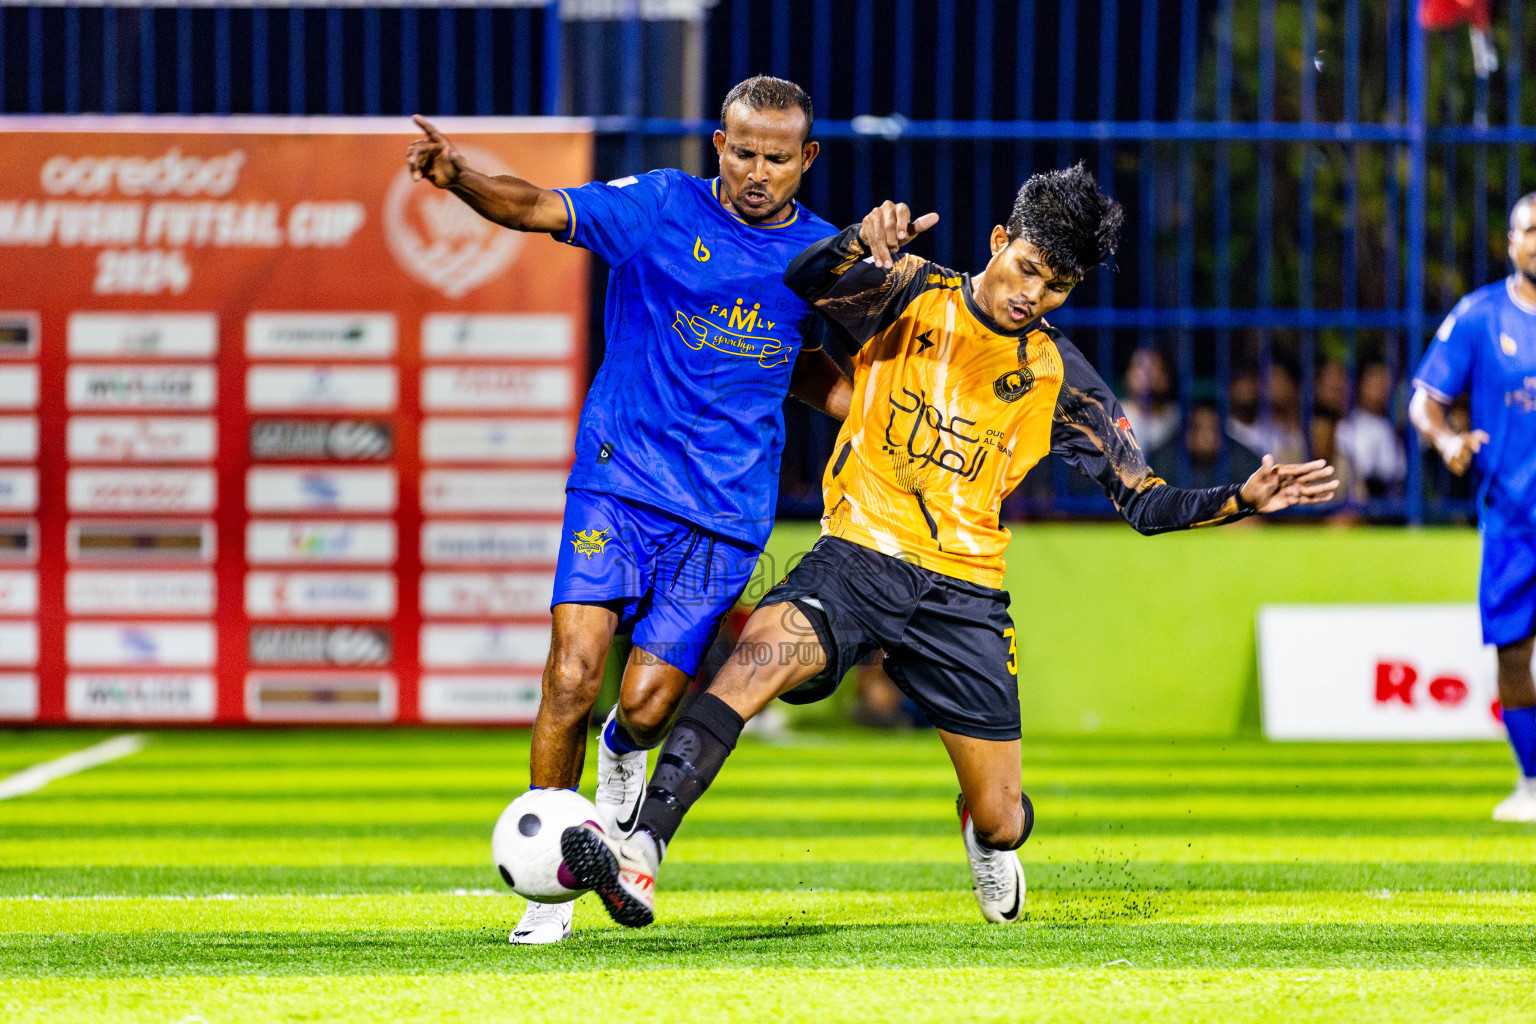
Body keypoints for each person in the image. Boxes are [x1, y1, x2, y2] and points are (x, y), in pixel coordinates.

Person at [561, 165, 1338, 928]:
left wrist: (1240, 498)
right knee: (747, 668)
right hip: (855, 560)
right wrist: (862, 240)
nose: (1034, 293)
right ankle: (641, 853)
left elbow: (1143, 501)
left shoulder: (1063, 378)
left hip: (962, 596)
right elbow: (805, 279)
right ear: (1000, 241)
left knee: (1005, 817)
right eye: (1028, 267)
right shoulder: (909, 291)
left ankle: (984, 831)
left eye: (1057, 285)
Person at [406, 76, 851, 943]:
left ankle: (620, 757)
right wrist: (460, 176)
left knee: (645, 708)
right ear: (718, 146)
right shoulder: (656, 207)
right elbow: (536, 205)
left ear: (808, 160)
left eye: (778, 157)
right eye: (744, 152)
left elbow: (813, 368)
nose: (759, 171)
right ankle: (551, 892)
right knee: (571, 673)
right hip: (620, 477)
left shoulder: (824, 260)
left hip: (725, 513)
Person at [1409, 191, 1536, 822]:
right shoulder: (1481, 315)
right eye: (1529, 230)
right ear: (1511, 241)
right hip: (1514, 518)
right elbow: (1423, 404)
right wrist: (1448, 439)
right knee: (1514, 653)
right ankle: (1532, 783)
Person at [1338, 362, 1407, 497]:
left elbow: (1399, 470)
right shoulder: (1347, 425)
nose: (1380, 389)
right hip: (1358, 498)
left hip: (1391, 500)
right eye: (1374, 383)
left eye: (1384, 384)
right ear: (1361, 386)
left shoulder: (1391, 428)